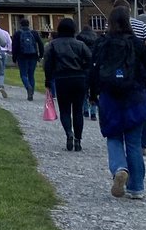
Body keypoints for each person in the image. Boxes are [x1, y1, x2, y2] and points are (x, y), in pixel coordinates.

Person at [89, 6, 146, 200]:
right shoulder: (136, 44)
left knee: (113, 138)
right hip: (135, 99)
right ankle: (137, 188)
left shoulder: (101, 43)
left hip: (110, 99)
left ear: (110, 22)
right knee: (134, 143)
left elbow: (93, 71)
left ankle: (119, 168)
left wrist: (92, 93)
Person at [114, 0, 146, 154]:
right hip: (139, 73)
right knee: (141, 105)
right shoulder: (142, 25)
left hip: (119, 74)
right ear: (130, 10)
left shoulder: (111, 25)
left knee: (119, 104)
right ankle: (142, 144)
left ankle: (124, 137)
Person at [43, 18, 93, 151]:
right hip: (79, 79)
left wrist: (48, 80)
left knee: (64, 110)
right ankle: (78, 139)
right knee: (77, 110)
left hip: (62, 79)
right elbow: (89, 61)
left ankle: (68, 134)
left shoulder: (53, 45)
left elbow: (47, 64)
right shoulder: (80, 44)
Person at [12, 17, 45, 101]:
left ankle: (28, 87)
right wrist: (40, 55)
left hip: (22, 56)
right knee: (31, 75)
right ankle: (31, 93)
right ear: (29, 24)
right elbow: (40, 44)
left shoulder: (17, 33)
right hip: (33, 56)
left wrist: (14, 58)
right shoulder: (34, 33)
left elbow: (14, 47)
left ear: (20, 24)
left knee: (23, 74)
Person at [77, 25, 100, 121]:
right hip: (94, 67)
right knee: (94, 91)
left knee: (83, 91)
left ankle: (85, 110)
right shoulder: (96, 39)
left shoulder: (79, 38)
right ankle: (94, 113)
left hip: (83, 67)